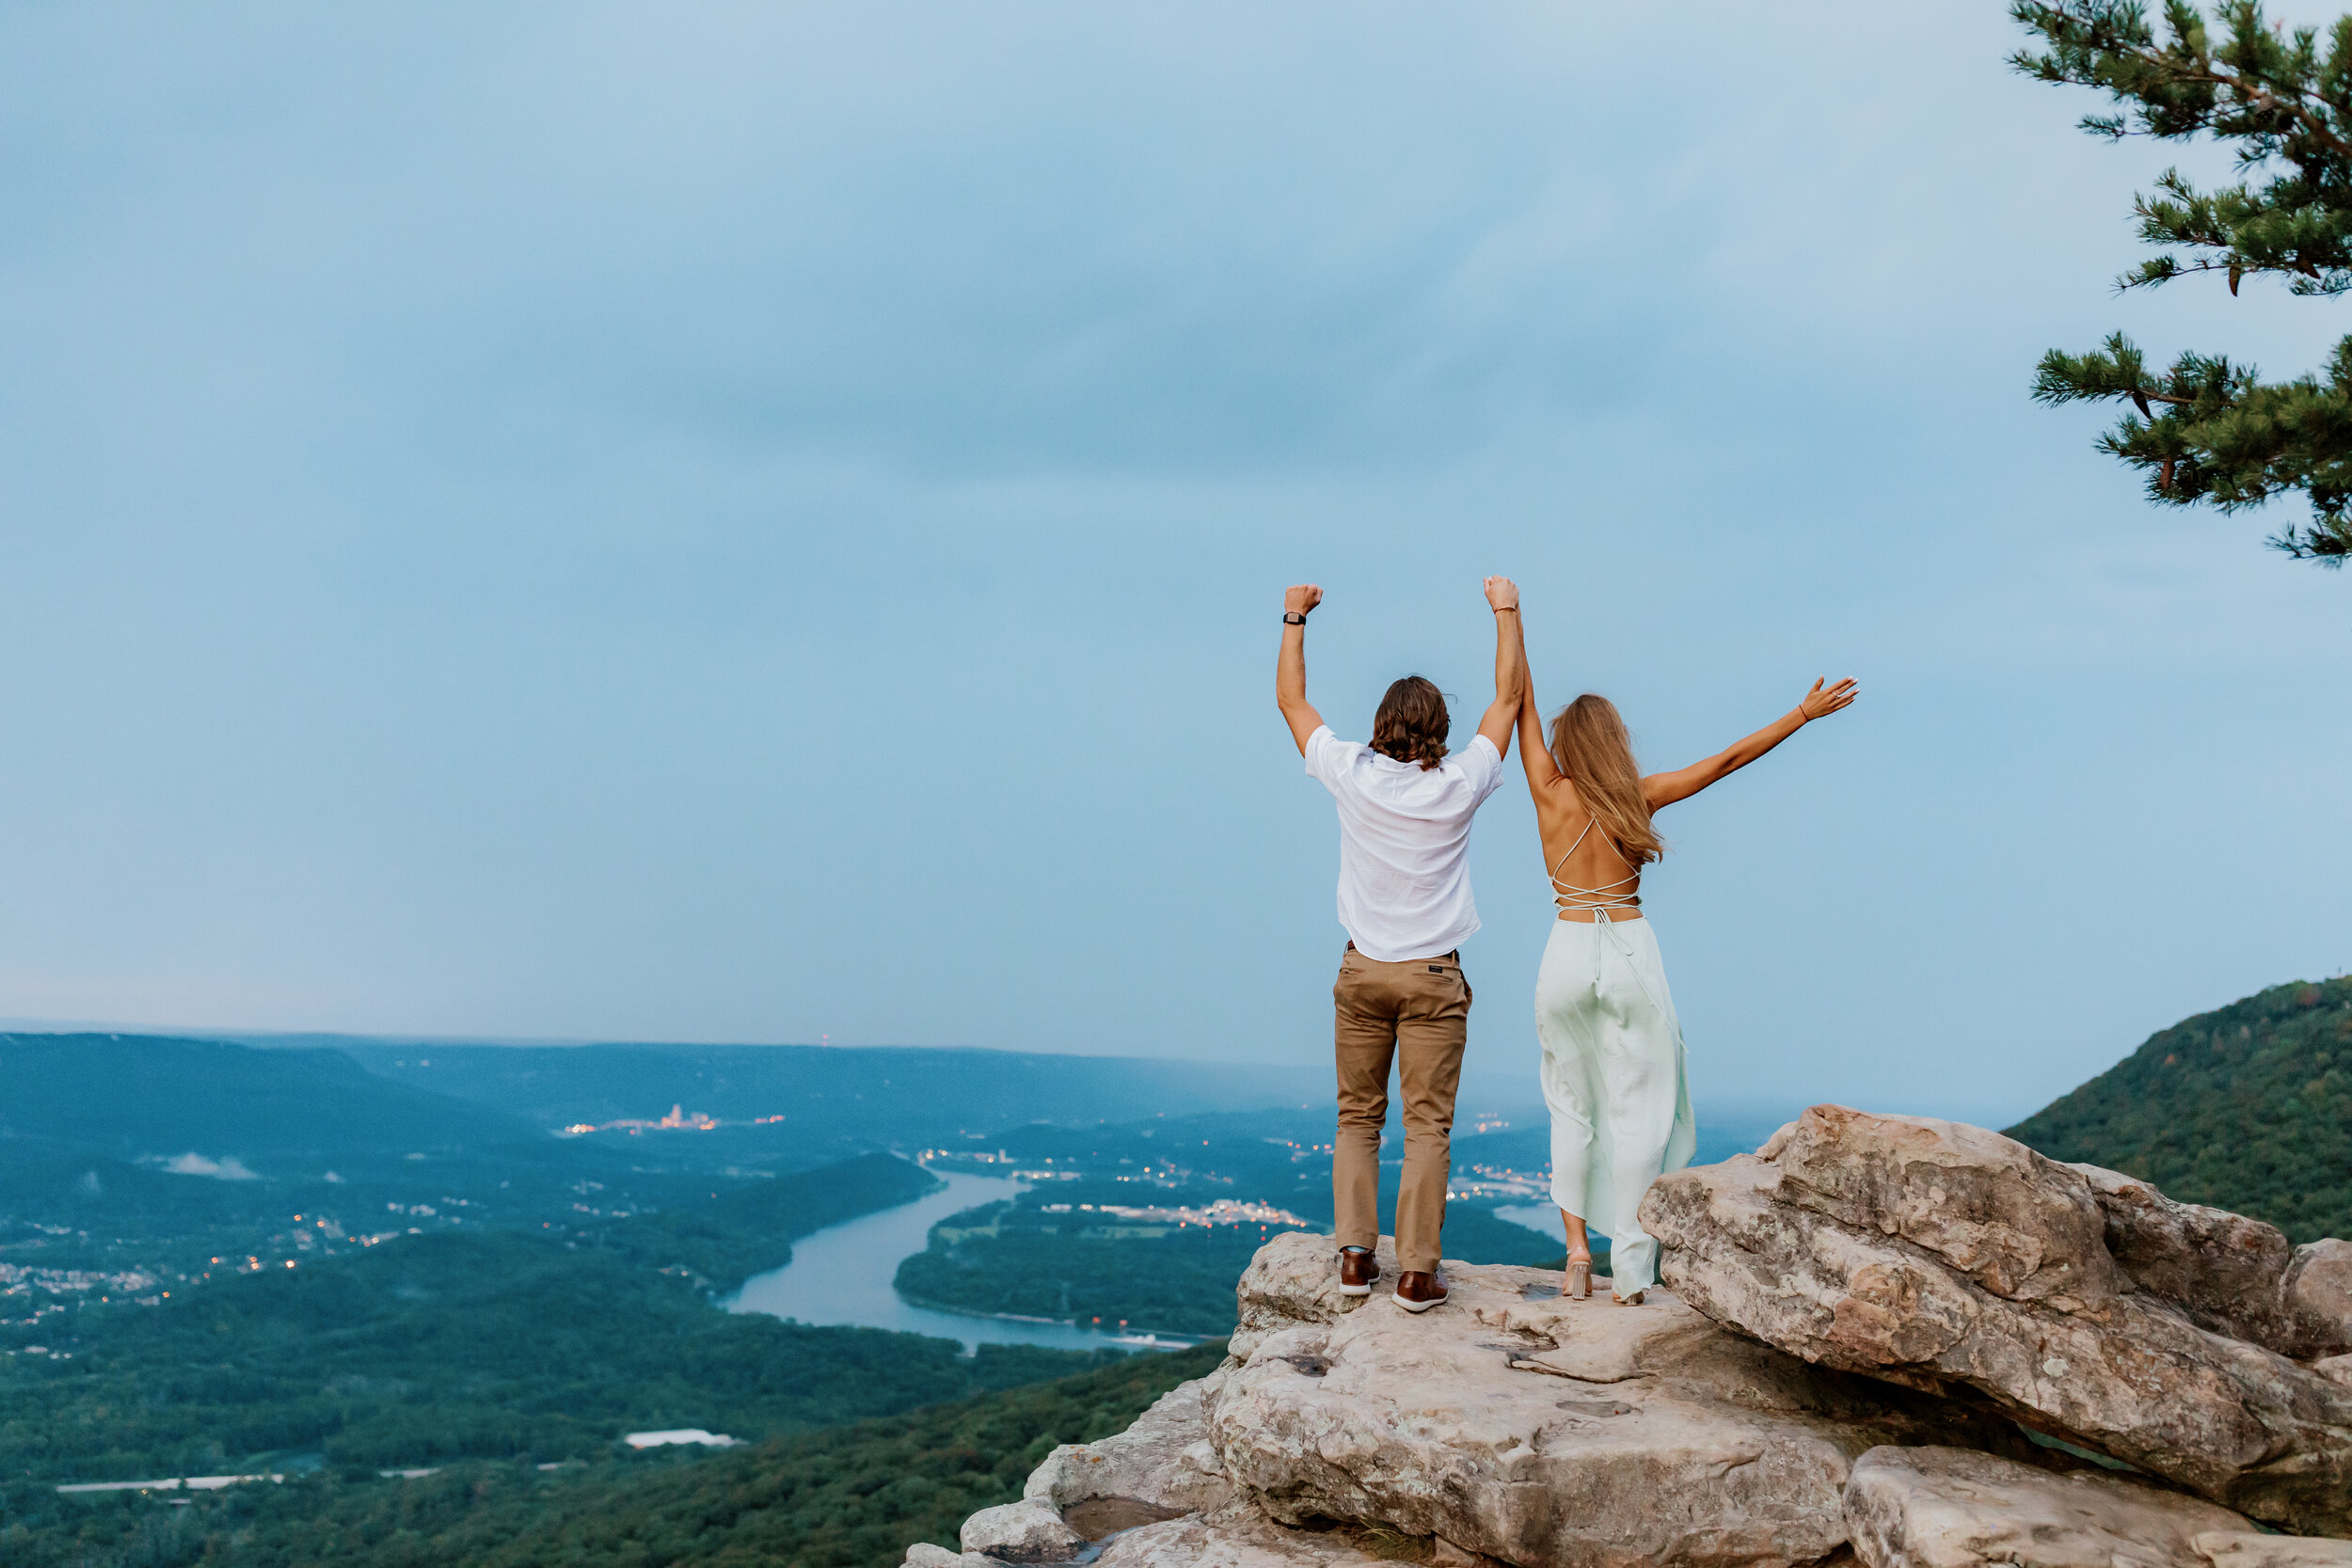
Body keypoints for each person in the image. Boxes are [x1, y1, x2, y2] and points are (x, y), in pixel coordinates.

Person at [1514, 627, 1856, 1305]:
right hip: (1629, 948)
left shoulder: (1548, 792)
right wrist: (1801, 715)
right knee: (1644, 1111)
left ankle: (1577, 1250)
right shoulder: (1641, 794)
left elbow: (1518, 698)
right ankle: (1632, 1272)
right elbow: (1728, 761)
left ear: (1568, 745)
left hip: (1567, 946)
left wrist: (1509, 616)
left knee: (1570, 1105)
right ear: (1615, 742)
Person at [1276, 577, 1526, 1314]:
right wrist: (1506, 610)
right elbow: (1508, 699)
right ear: (1441, 726)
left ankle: (1355, 1257)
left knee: (1358, 1116)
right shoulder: (1459, 782)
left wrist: (1295, 616)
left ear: (1380, 723)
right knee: (1427, 1126)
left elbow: (1292, 700)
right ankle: (1417, 1273)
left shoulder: (1351, 772)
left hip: (1362, 970)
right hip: (1431, 975)